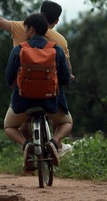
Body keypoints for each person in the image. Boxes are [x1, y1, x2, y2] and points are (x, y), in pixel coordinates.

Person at [4, 13, 73, 170]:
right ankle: (54, 142)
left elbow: (9, 78)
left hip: (23, 102)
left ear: (32, 30)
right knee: (67, 122)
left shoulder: (19, 49)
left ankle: (26, 144)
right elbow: (65, 79)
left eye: (26, 28)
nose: (25, 31)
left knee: (9, 126)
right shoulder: (56, 49)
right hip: (51, 102)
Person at [0, 0, 72, 76]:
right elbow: (67, 72)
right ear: (56, 21)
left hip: (24, 94)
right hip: (50, 96)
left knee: (12, 112)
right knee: (65, 114)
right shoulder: (60, 40)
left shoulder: (23, 27)